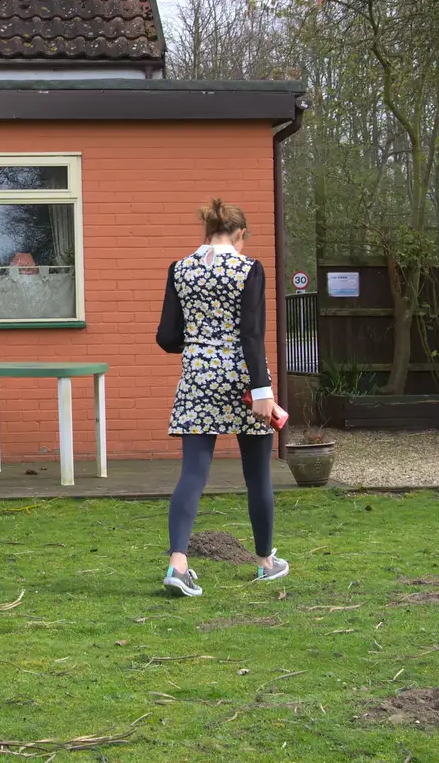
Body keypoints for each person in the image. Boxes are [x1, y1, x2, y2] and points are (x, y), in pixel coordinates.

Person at [155, 198, 289, 594]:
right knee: (257, 476)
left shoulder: (179, 269)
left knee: (192, 474)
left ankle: (178, 565)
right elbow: (251, 334)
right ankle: (265, 561)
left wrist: (199, 341)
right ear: (240, 234)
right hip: (245, 381)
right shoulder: (250, 269)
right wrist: (262, 392)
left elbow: (166, 337)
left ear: (207, 232)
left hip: (197, 377)